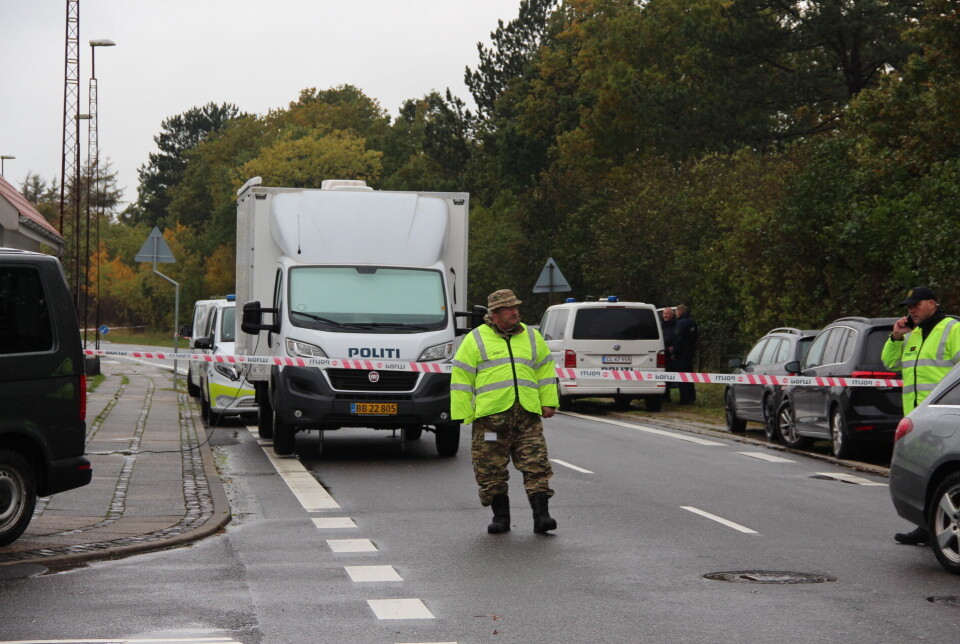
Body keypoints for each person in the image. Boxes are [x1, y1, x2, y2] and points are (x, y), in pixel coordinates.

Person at [450, 289, 559, 535]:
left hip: (527, 417)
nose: (515, 312)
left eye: (516, 306)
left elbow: (545, 370)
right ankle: (501, 519)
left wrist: (548, 401)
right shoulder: (476, 339)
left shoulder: (532, 337)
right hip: (491, 421)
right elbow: (461, 377)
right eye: (509, 308)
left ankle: (542, 517)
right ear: (494, 313)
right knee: (491, 469)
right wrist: (462, 414)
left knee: (536, 465)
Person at [882, 286, 960, 546]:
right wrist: (895, 337)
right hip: (918, 418)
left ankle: (930, 526)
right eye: (908, 306)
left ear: (933, 303)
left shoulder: (952, 329)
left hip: (946, 415)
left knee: (941, 475)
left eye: (916, 304)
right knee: (922, 474)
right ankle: (925, 525)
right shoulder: (912, 335)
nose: (911, 310)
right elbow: (890, 363)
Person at [672, 303, 698, 404]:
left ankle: (684, 399)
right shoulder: (692, 322)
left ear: (679, 312)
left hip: (682, 354)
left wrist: (674, 353)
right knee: (689, 376)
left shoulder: (681, 323)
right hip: (690, 353)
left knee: (682, 377)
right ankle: (692, 396)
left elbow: (679, 339)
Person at [661, 307, 677, 401]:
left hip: (671, 353)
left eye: (667, 313)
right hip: (662, 352)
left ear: (672, 314)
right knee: (663, 374)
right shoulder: (661, 325)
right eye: (663, 314)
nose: (665, 315)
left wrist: (674, 347)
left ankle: (667, 397)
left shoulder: (676, 325)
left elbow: (678, 337)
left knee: (669, 375)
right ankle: (664, 395)